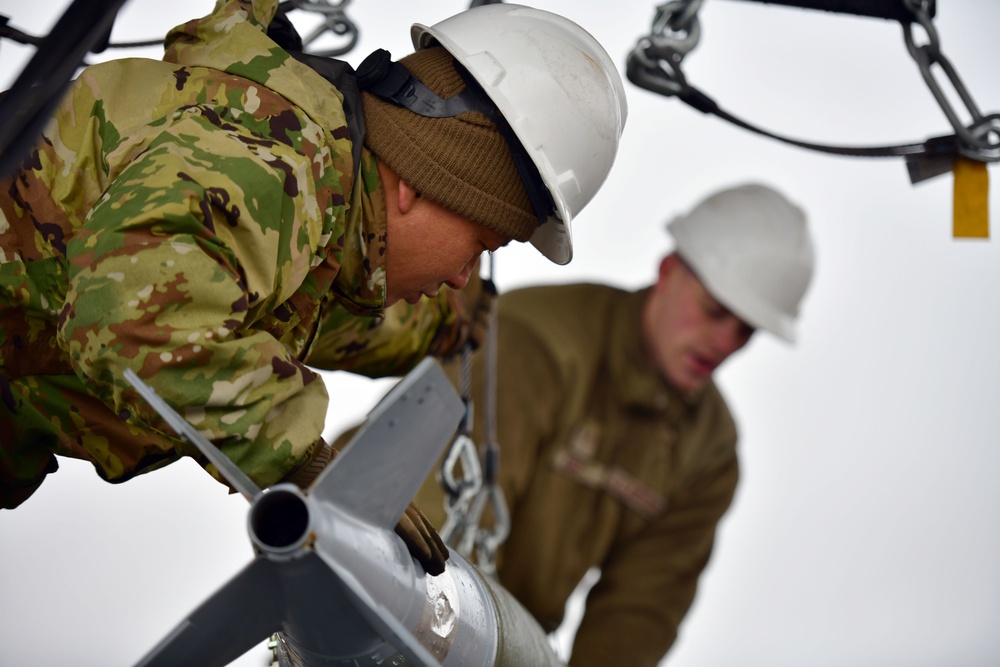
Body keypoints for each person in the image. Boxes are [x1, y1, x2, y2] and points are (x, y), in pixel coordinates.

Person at [0, 0, 627, 577]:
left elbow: (306, 319)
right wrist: (307, 462)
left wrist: (443, 327)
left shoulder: (321, 217)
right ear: (426, 182)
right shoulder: (276, 164)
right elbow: (132, 320)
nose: (463, 277)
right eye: (483, 246)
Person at [411, 183, 816, 662]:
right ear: (668, 271)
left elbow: (639, 612)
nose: (724, 342)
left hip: (498, 636)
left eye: (745, 330)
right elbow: (429, 516)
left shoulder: (711, 451)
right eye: (714, 311)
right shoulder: (540, 342)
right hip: (381, 569)